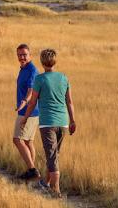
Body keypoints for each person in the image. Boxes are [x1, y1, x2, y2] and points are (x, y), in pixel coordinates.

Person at [20, 48, 76, 197]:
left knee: (51, 156)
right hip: (63, 122)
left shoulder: (40, 79)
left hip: (47, 124)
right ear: (55, 61)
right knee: (55, 154)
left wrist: (25, 118)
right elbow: (69, 102)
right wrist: (73, 121)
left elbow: (32, 103)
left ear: (42, 62)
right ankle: (46, 182)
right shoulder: (64, 78)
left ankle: (56, 188)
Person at [12, 43, 39, 181]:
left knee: (17, 139)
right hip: (29, 110)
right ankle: (31, 172)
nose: (22, 57)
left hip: (29, 111)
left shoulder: (32, 71)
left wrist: (24, 101)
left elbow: (30, 90)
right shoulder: (23, 68)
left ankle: (32, 170)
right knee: (28, 141)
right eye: (20, 55)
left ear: (30, 55)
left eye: (24, 55)